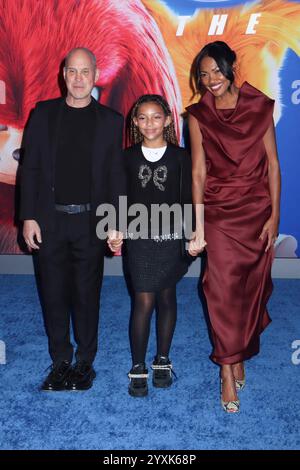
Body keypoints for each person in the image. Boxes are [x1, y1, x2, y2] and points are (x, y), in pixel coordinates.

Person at [20, 47, 126, 391]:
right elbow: (31, 168)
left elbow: (115, 176)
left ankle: (84, 362)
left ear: (95, 76)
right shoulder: (43, 114)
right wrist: (28, 217)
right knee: (52, 293)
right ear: (63, 75)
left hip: (90, 223)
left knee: (86, 294)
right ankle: (60, 361)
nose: (79, 79)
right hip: (50, 221)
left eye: (85, 72)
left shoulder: (111, 121)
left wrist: (116, 221)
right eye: (72, 72)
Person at [186, 41, 281, 412]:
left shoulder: (259, 107)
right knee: (220, 289)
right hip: (219, 214)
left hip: (257, 211)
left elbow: (273, 164)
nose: (210, 79)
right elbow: (197, 173)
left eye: (215, 71)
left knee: (249, 288)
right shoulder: (197, 115)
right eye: (203, 74)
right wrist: (199, 225)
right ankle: (227, 369)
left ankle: (237, 350)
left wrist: (275, 216)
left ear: (230, 67)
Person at [108, 94, 195, 397]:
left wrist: (193, 234)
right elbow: (120, 195)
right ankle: (137, 365)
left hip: (171, 239)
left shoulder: (181, 157)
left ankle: (163, 360)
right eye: (142, 117)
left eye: (156, 116)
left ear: (168, 120)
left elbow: (186, 199)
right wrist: (115, 228)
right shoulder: (127, 157)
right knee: (144, 301)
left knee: (167, 296)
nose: (149, 123)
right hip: (140, 238)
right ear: (134, 122)